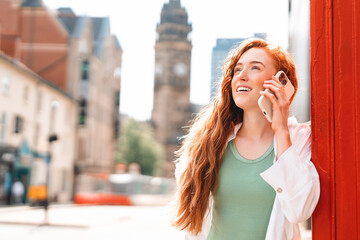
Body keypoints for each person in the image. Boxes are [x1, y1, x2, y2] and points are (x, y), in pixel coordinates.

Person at [172, 38, 320, 240]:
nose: (241, 76)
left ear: (280, 81)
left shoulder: (299, 139)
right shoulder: (209, 142)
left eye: (255, 68)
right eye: (237, 70)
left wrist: (281, 130)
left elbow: (299, 211)